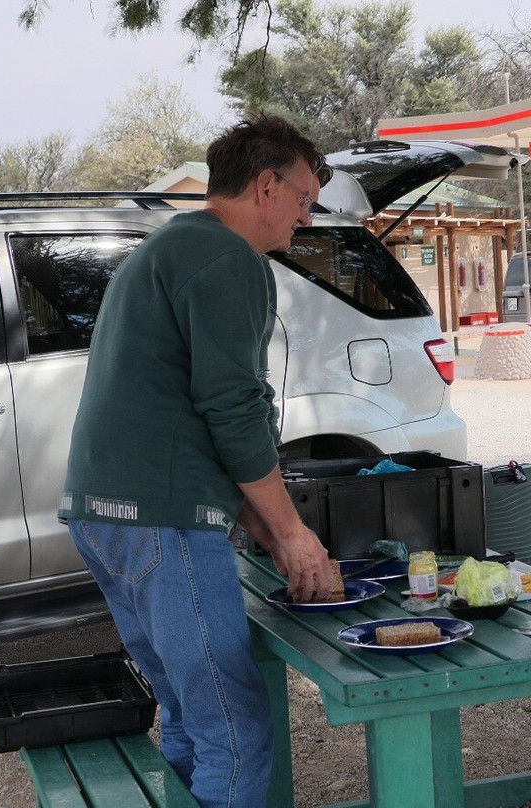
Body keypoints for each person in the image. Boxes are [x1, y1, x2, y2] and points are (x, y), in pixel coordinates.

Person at [58, 112, 337, 808]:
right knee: (237, 734)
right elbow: (233, 410)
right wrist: (295, 534)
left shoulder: (174, 244)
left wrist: (271, 534)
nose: (305, 217)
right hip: (164, 518)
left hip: (103, 511)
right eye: (304, 199)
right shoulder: (230, 260)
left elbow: (197, 415)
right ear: (267, 186)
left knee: (189, 709)